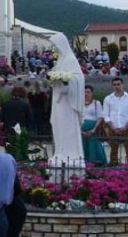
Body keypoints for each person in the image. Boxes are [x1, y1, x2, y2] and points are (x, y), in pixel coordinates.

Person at [47, 32, 85, 165]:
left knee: (67, 127)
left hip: (68, 102)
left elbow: (78, 78)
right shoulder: (61, 60)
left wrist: (66, 83)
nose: (54, 48)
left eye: (55, 45)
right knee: (59, 126)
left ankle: (70, 154)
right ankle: (60, 152)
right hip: (59, 101)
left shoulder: (70, 59)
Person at [102, 77, 128, 166]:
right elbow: (106, 114)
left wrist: (125, 127)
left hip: (126, 128)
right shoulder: (108, 98)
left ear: (122, 85)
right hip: (112, 128)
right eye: (114, 85)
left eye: (118, 84)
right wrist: (112, 127)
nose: (117, 86)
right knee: (113, 150)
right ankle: (113, 167)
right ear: (112, 86)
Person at [81, 85, 107, 165]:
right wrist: (81, 130)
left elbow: (100, 117)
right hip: (82, 130)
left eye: (88, 92)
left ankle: (96, 164)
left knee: (94, 147)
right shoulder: (79, 104)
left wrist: (93, 129)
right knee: (83, 147)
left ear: (92, 93)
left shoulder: (96, 103)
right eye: (84, 92)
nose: (86, 94)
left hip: (93, 130)